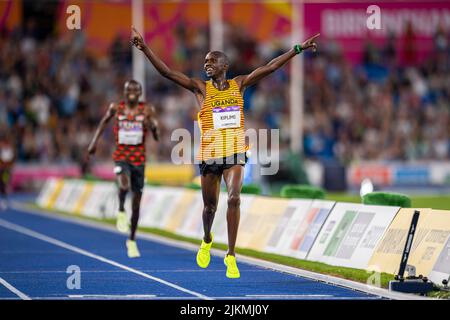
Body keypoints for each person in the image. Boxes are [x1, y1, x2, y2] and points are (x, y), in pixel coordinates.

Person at [131, 26, 319, 278]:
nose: (206, 64)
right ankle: (207, 238)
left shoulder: (239, 84)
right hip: (210, 156)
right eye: (205, 61)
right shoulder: (200, 88)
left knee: (234, 199)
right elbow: (166, 72)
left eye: (211, 61)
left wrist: (296, 49)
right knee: (210, 208)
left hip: (234, 153)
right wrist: (145, 49)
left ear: (224, 65)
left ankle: (231, 255)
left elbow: (270, 67)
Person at [87, 80, 160, 258]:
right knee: (123, 185)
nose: (132, 93)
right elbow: (103, 123)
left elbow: (156, 136)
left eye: (136, 90)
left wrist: (154, 128)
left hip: (139, 161)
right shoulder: (116, 108)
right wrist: (94, 142)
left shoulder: (147, 110)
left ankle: (132, 240)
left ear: (140, 92)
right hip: (121, 156)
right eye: (129, 90)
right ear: (124, 92)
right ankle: (120, 209)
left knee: (136, 205)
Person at [0, 133, 15, 210]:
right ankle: (3, 200)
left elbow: (10, 161)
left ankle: (5, 200)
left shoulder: (9, 150)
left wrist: (6, 165)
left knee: (4, 184)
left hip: (6, 171)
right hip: (1, 170)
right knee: (2, 185)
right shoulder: (2, 150)